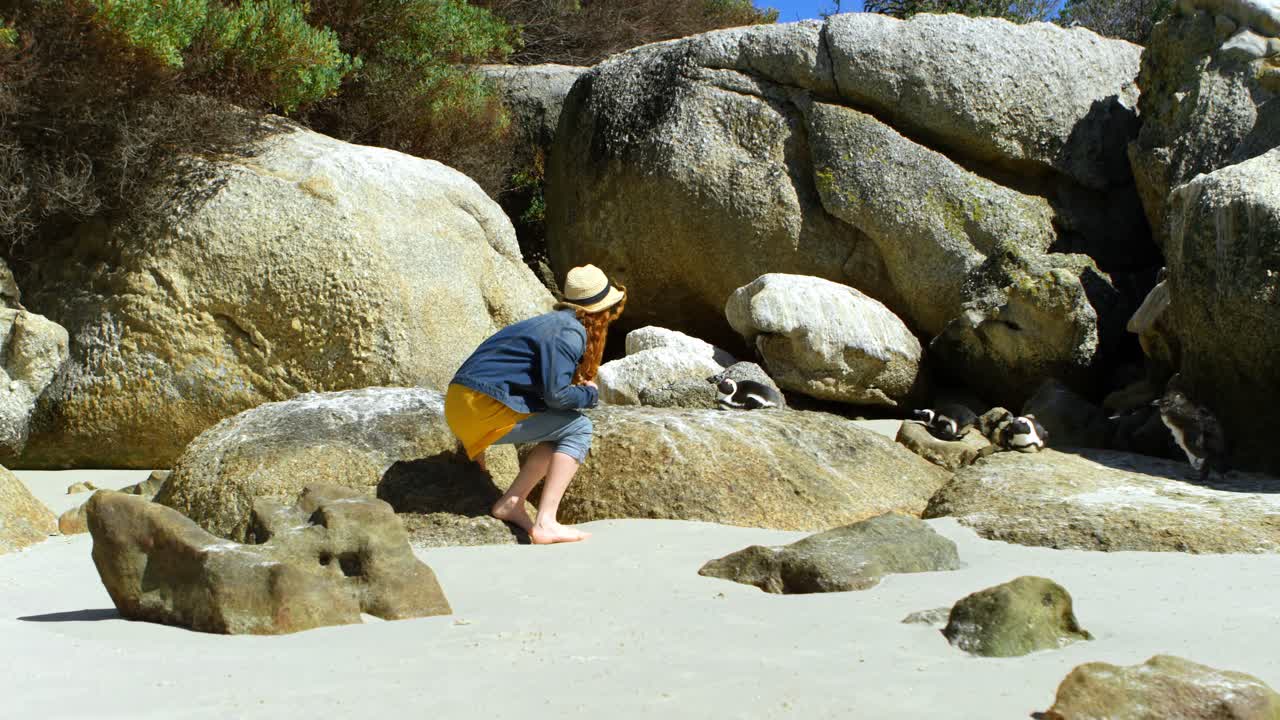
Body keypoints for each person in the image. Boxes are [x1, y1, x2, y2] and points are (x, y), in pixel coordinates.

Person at [445, 264, 625, 544]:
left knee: (559, 430)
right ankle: (546, 522)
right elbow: (557, 396)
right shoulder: (570, 331)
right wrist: (589, 395)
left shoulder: (547, 323)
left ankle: (512, 502)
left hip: (460, 401)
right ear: (600, 311)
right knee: (579, 428)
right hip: (480, 406)